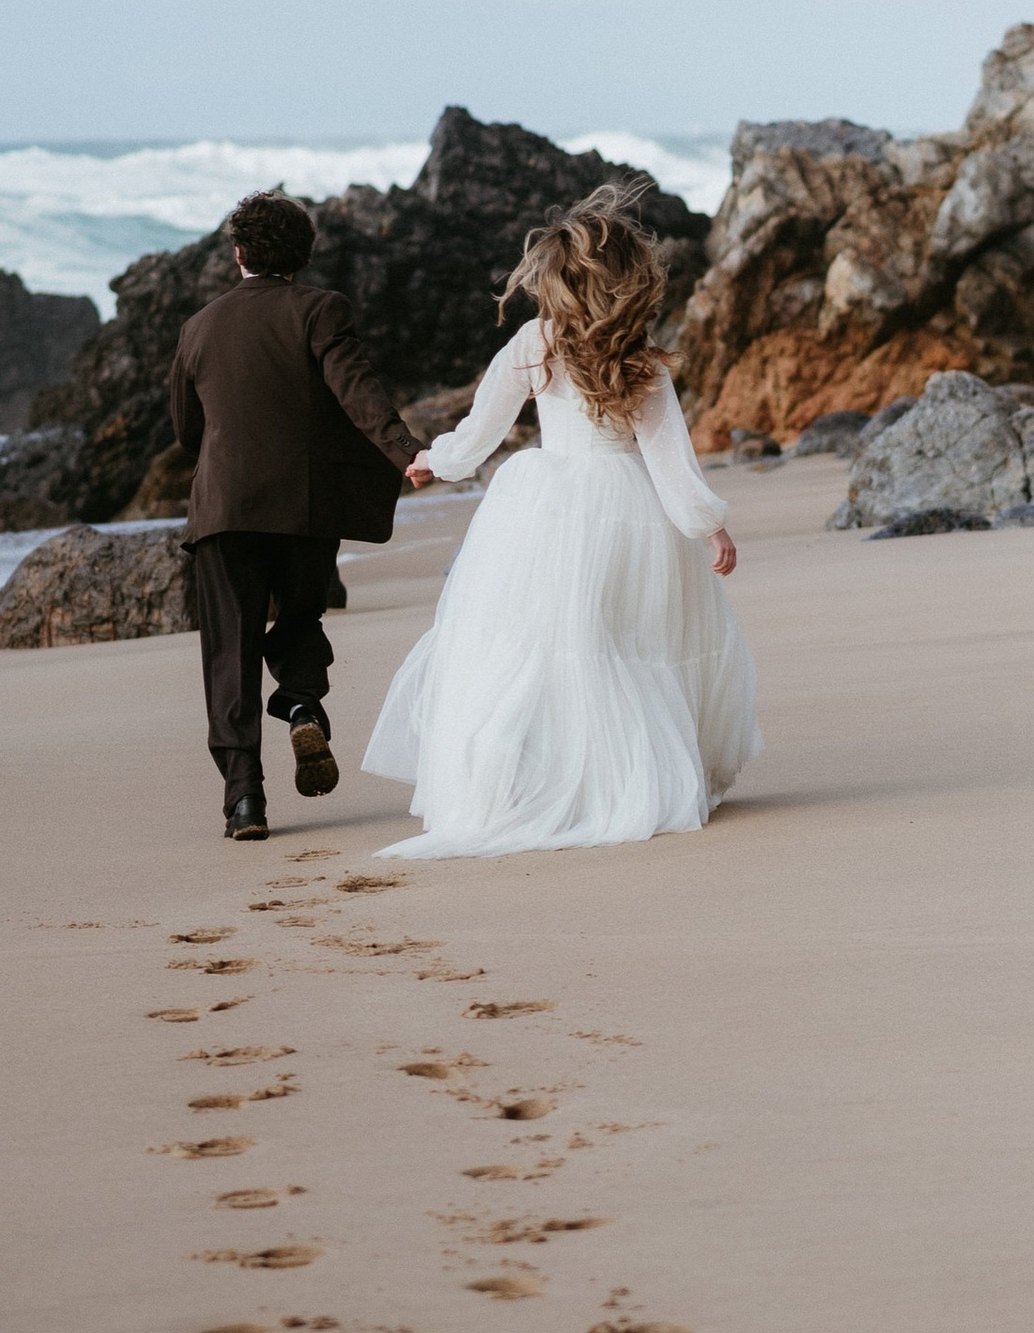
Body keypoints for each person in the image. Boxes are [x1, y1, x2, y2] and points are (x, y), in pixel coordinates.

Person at [363, 181, 759, 859]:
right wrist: (707, 525)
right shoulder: (639, 356)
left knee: (541, 650)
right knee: (623, 644)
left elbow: (480, 429)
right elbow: (671, 462)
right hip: (629, 512)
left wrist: (438, 461)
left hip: (541, 507)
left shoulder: (533, 342)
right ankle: (619, 776)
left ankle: (528, 782)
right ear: (628, 280)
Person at [167, 189, 421, 842]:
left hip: (225, 511)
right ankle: (303, 700)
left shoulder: (198, 328)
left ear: (239, 252)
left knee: (231, 649)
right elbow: (357, 392)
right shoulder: (321, 310)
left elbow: (186, 432)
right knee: (301, 614)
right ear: (301, 255)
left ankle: (245, 801)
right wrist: (405, 454)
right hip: (305, 508)